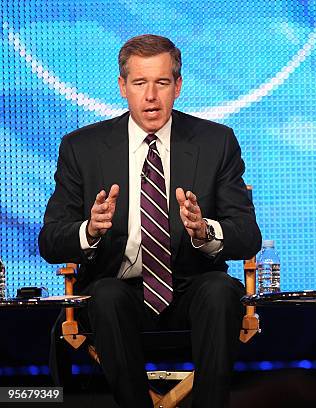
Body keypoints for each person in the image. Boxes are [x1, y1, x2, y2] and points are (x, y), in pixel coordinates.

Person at [39, 34, 261, 408]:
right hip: (119, 290)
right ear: (122, 86)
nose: (151, 96)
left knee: (222, 291)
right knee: (105, 294)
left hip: (192, 287)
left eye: (161, 82)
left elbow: (248, 236)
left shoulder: (216, 142)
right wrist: (90, 230)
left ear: (178, 86)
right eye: (140, 83)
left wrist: (206, 231)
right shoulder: (82, 148)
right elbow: (50, 241)